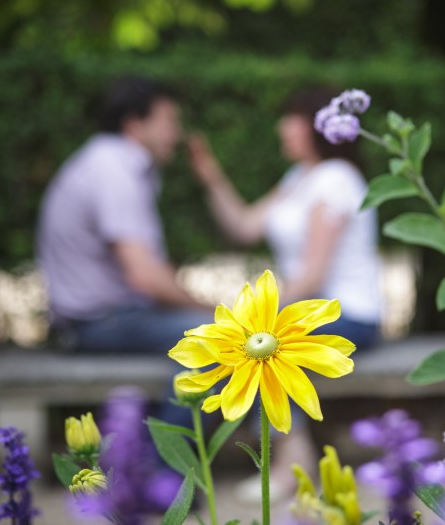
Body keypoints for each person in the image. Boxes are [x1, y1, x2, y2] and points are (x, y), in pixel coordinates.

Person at [188, 88, 383, 498]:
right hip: (301, 307)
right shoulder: (299, 178)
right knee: (251, 348)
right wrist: (211, 176)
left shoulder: (336, 179)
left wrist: (252, 315)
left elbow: (313, 278)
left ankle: (292, 462)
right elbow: (243, 226)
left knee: (265, 353)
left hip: (346, 313)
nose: (283, 127)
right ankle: (292, 460)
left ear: (319, 128)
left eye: (293, 118)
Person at [37, 76, 212, 355]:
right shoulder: (114, 172)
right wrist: (212, 311)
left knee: (211, 333)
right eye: (168, 122)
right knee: (215, 338)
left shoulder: (109, 161)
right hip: (95, 324)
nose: (176, 134)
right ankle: (176, 402)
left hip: (102, 319)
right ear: (134, 125)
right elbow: (145, 276)